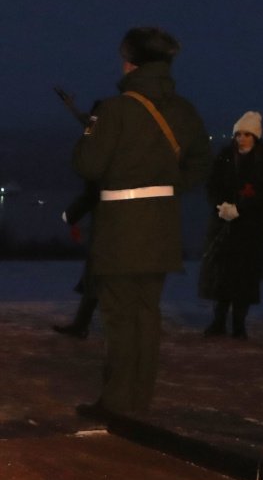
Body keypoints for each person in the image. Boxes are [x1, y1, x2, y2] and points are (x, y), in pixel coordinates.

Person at [70, 27, 213, 416]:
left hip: (121, 229)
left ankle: (116, 405)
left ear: (131, 62)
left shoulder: (116, 109)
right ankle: (137, 401)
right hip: (162, 226)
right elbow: (201, 161)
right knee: (146, 315)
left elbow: (89, 164)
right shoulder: (184, 110)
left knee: (119, 317)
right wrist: (167, 185)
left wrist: (88, 132)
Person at [198, 110, 263, 339]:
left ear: (256, 136)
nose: (241, 138)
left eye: (247, 134)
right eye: (238, 134)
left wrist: (241, 209)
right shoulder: (224, 156)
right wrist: (221, 207)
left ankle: (239, 323)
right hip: (223, 223)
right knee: (221, 273)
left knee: (244, 275)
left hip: (249, 226)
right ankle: (219, 320)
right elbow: (212, 184)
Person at [53, 183, 100, 339]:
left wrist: (71, 215)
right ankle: (80, 325)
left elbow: (91, 194)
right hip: (114, 230)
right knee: (94, 281)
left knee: (96, 280)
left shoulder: (105, 173)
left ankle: (81, 325)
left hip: (108, 233)